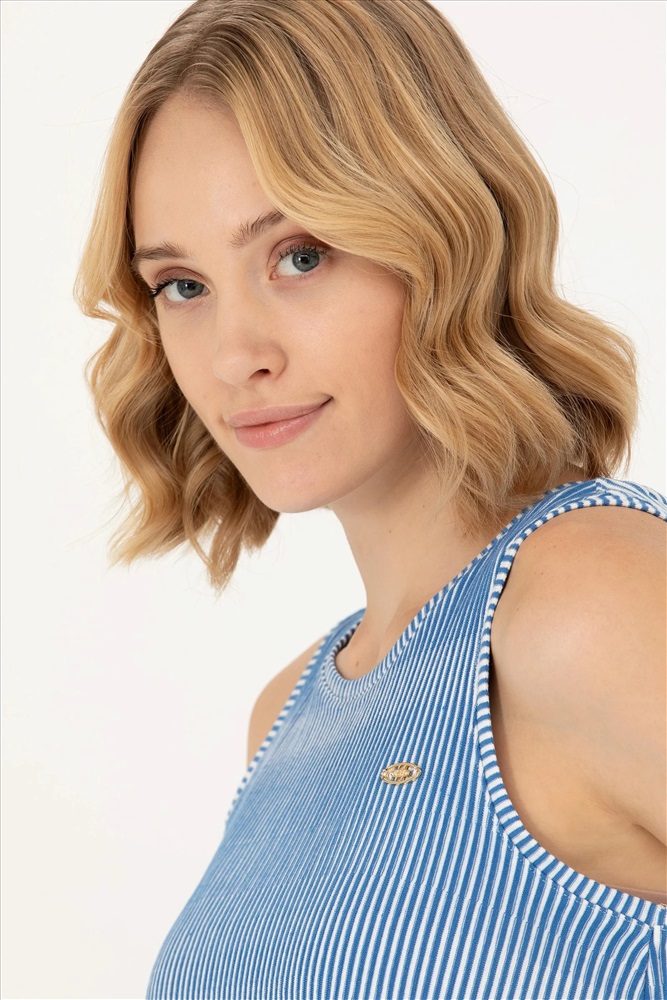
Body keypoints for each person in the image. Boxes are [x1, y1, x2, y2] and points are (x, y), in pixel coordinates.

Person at [76, 1, 666, 997]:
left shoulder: (588, 603)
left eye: (299, 255)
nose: (235, 355)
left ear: (440, 234)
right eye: (182, 285)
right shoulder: (287, 716)